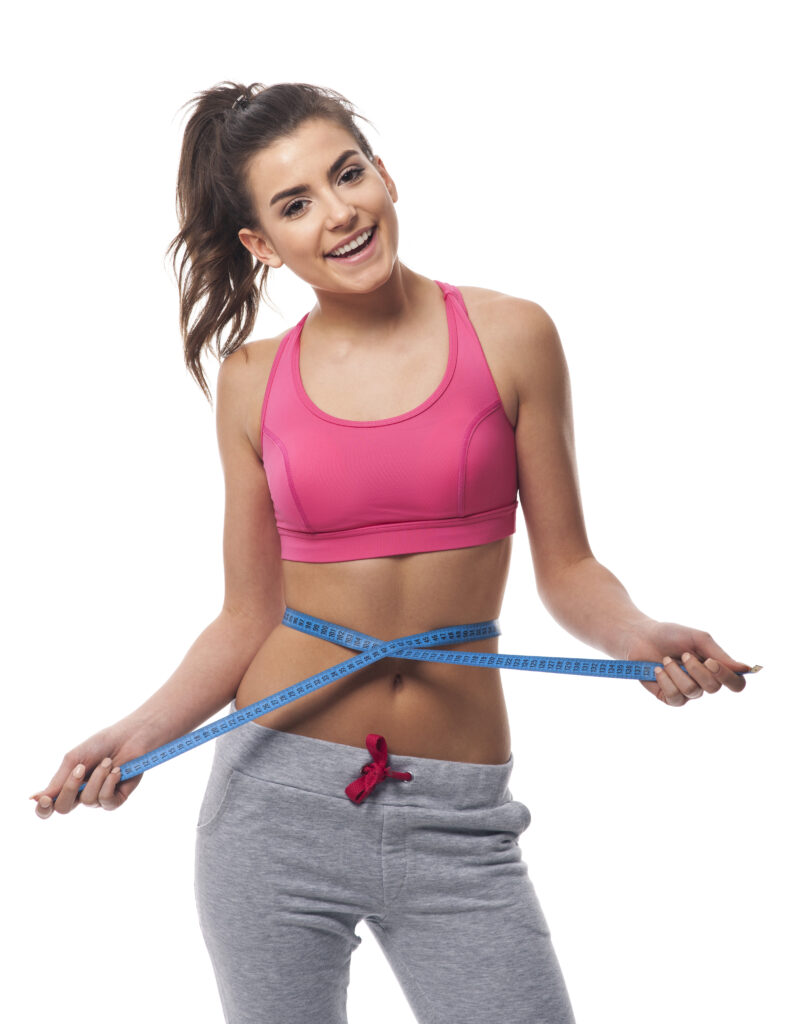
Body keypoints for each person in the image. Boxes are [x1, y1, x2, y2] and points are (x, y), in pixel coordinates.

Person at [30, 81, 753, 1024]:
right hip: (273, 802)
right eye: (295, 205)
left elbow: (568, 568)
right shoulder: (251, 381)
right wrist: (137, 733)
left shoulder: (512, 335)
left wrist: (641, 634)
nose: (338, 214)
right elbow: (248, 612)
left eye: (347, 174)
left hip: (457, 814)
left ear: (385, 174)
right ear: (261, 244)